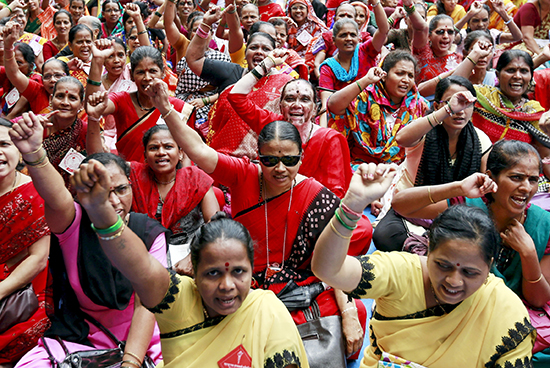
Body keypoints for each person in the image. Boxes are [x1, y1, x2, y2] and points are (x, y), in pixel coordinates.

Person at [139, 77, 370, 360]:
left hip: (297, 284)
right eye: (270, 160)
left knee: (354, 311)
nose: (280, 169)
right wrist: (165, 109)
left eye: (289, 160)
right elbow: (199, 151)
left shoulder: (315, 195)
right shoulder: (244, 174)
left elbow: (335, 260)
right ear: (258, 157)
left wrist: (347, 313)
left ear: (302, 157)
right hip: (240, 278)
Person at [64, 159, 309, 368]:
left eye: (238, 272)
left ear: (251, 268)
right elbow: (139, 266)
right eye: (212, 273)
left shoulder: (266, 311)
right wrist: (101, 212)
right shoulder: (178, 300)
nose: (227, 286)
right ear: (193, 269)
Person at [311, 164, 536, 367]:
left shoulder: (506, 313)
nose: (454, 281)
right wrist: (352, 206)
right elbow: (328, 270)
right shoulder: (401, 272)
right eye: (443, 265)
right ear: (427, 250)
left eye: (470, 272)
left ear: (489, 266)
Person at [10, 113, 165, 368]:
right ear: (82, 194)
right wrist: (35, 153)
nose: (113, 201)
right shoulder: (74, 222)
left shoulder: (149, 233)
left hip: (141, 336)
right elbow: (56, 196)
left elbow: (146, 306)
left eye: (121, 190)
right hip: (80, 335)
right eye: (101, 192)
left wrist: (130, 363)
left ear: (131, 187)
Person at [392, 139, 550, 355]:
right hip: (456, 302)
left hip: (508, 313)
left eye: (533, 180)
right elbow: (400, 205)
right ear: (491, 178)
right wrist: (458, 186)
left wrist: (528, 253)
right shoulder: (468, 205)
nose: (526, 187)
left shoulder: (543, 224)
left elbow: (538, 299)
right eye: (516, 177)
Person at [373, 76, 492, 251]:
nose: (460, 110)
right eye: (452, 102)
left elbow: (485, 187)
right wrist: (446, 111)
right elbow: (401, 138)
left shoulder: (480, 139)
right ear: (436, 106)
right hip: (412, 209)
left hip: (455, 214)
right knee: (384, 236)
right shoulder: (424, 130)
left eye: (466, 104)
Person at [228, 51, 354, 199]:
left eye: (305, 99)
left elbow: (334, 193)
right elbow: (235, 96)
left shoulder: (329, 140)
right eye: (290, 98)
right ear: (281, 106)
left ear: (315, 109)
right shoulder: (272, 124)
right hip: (268, 201)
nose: (296, 105)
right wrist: (267, 63)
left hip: (311, 209)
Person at [186, 6, 296, 160]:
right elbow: (194, 60)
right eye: (253, 47)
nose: (259, 51)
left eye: (266, 49)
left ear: (274, 54)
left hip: (264, 164)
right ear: (245, 54)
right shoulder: (231, 72)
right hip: (222, 160)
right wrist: (205, 24)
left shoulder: (285, 83)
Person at [0, 118, 51, 366]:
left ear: (18, 151)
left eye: (4, 144)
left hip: (23, 291)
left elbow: (39, 259)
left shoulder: (36, 191)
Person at [85, 46, 193, 162]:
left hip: (168, 177)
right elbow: (94, 106)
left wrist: (184, 179)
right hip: (129, 176)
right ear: (131, 75)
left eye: (153, 71)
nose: (147, 78)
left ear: (162, 73)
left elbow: (188, 152)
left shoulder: (179, 108)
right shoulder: (121, 100)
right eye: (140, 72)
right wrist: (97, 61)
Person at [327, 50, 427, 167]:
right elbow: (333, 105)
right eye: (400, 73)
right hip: (361, 168)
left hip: (400, 171)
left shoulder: (418, 106)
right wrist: (367, 79)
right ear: (384, 76)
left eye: (410, 76)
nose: (406, 80)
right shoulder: (364, 99)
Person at [318, 14, 388, 126]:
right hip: (342, 119)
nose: (349, 38)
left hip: (372, 115)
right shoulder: (328, 68)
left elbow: (383, 30)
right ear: (334, 40)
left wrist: (375, 3)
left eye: (352, 35)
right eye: (343, 35)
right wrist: (323, 134)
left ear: (359, 38)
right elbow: (326, 104)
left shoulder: (366, 51)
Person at [471, 50, 549, 149]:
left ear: (531, 77)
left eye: (524, 71)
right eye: (510, 70)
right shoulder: (482, 95)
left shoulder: (533, 111)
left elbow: (543, 156)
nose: (517, 76)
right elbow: (450, 89)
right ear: (497, 75)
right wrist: (474, 55)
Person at [3, 21, 69, 115]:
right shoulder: (38, 92)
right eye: (47, 76)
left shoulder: (75, 91)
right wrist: (8, 46)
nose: (52, 80)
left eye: (58, 75)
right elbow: (14, 73)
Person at [413, 14, 462, 84]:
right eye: (440, 32)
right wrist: (410, 7)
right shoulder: (422, 52)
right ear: (429, 36)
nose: (446, 36)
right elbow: (420, 28)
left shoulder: (457, 58)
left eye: (450, 32)